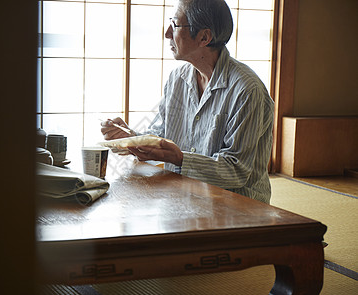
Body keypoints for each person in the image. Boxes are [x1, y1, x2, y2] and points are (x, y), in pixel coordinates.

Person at [101, 0, 274, 203]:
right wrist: (127, 138)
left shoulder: (247, 89)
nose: (166, 33)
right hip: (184, 196)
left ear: (204, 37)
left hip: (239, 208)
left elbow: (236, 171)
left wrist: (180, 159)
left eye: (174, 24)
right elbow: (159, 137)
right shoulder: (178, 79)